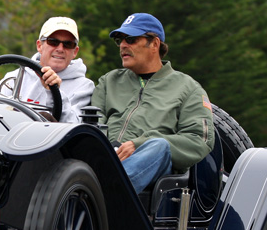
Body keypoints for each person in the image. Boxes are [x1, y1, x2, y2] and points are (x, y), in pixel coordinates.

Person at [91, 12, 215, 193]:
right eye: (120, 40)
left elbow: (199, 140)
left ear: (155, 44)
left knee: (159, 145)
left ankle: (105, 192)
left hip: (153, 170)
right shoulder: (109, 81)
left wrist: (140, 144)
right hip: (105, 159)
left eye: (131, 39)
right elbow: (94, 122)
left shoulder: (188, 88)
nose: (123, 45)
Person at [0, 16, 95, 123]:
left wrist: (54, 92)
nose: (60, 48)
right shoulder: (16, 77)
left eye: (68, 44)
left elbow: (74, 127)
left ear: (75, 52)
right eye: (53, 42)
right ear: (39, 46)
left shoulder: (84, 87)